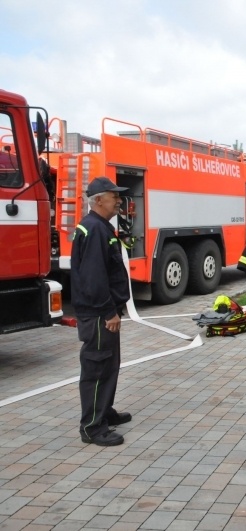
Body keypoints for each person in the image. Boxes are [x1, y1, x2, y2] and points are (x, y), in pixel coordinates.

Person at [71, 176, 132, 446]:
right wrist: (109, 312)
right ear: (98, 200)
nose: (119, 201)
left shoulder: (99, 226)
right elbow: (94, 277)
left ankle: (104, 411)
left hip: (103, 311)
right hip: (98, 314)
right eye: (113, 196)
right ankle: (92, 428)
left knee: (109, 365)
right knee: (97, 368)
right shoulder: (94, 229)